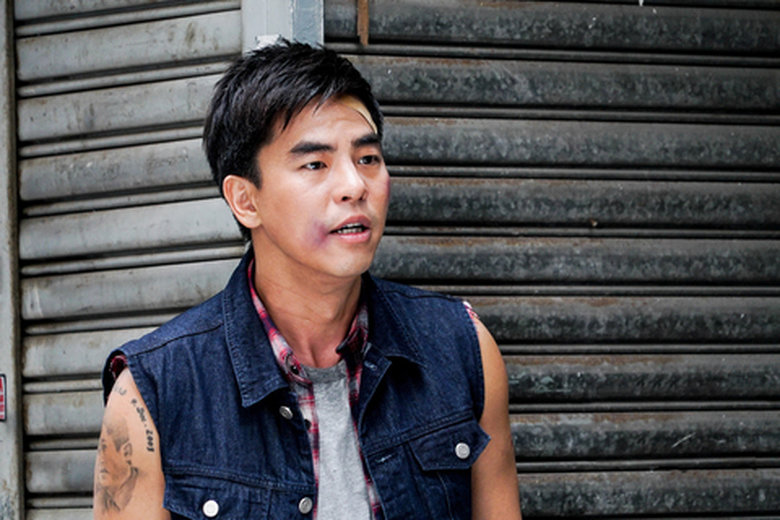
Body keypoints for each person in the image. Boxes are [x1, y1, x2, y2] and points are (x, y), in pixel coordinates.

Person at [93, 40, 522, 520]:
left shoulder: (461, 348)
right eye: (315, 164)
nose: (354, 186)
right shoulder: (153, 392)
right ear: (245, 200)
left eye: (368, 158)